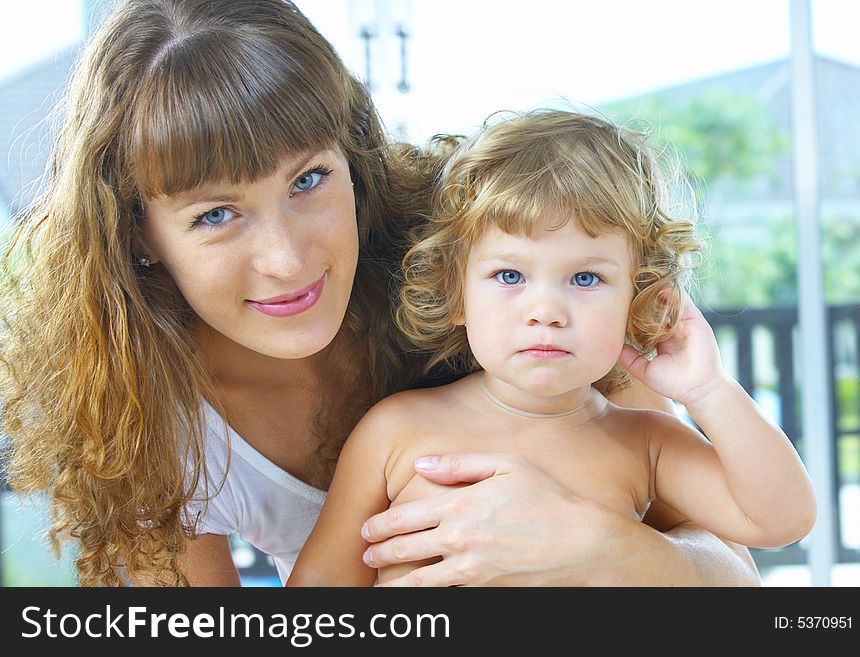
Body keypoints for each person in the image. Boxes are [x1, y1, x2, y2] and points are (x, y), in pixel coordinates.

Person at [0, 0, 760, 587]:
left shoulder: (495, 271)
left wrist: (596, 541)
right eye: (216, 215)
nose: (286, 258)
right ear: (138, 233)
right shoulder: (146, 421)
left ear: (352, 156)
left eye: (308, 179)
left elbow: (739, 583)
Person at [287, 110, 816, 586]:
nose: (547, 310)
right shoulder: (394, 429)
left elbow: (780, 521)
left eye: (585, 278)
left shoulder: (646, 443)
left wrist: (708, 390)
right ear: (455, 294)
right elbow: (319, 587)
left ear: (638, 299)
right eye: (510, 274)